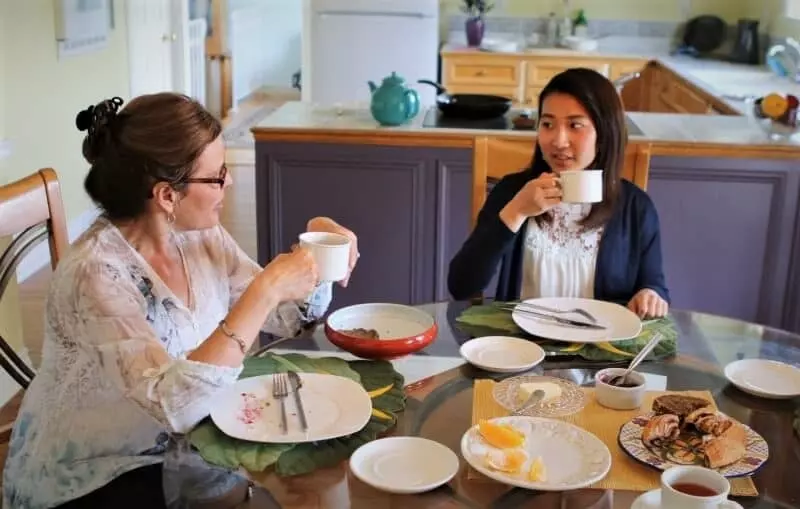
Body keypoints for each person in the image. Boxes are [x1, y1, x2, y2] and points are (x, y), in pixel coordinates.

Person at [2, 93, 359, 509]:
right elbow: (174, 408)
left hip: (187, 451)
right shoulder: (95, 274)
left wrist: (319, 256)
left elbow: (289, 317)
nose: (230, 183)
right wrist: (264, 292)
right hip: (94, 475)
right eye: (217, 175)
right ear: (167, 196)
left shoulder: (201, 235)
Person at [448, 68, 669, 319]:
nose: (559, 140)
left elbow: (655, 286)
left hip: (603, 350)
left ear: (605, 133)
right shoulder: (512, 192)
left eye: (575, 125)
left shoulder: (636, 207)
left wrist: (650, 295)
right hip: (521, 349)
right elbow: (461, 286)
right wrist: (516, 212)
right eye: (548, 124)